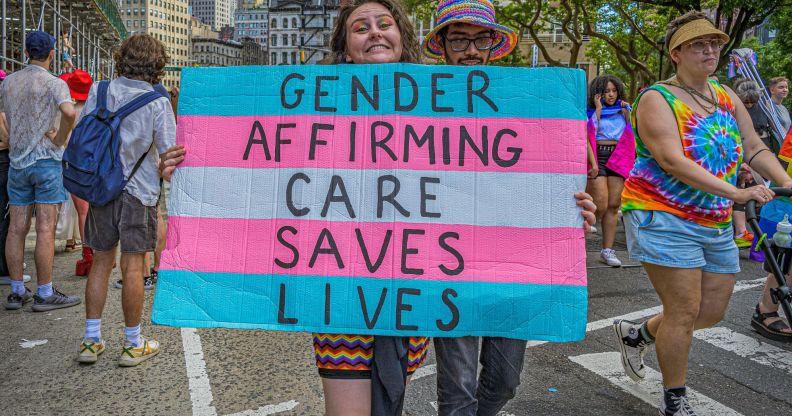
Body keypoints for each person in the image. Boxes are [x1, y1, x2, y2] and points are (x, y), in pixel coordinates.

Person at [612, 12, 792, 415]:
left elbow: (753, 146)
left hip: (713, 219)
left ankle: (638, 334)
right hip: (662, 216)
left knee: (712, 312)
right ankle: (676, 399)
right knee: (684, 310)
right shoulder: (658, 98)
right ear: (676, 53)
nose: (710, 50)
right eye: (698, 44)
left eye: (713, 44)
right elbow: (671, 160)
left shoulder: (724, 95)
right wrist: (736, 191)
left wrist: (784, 180)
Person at [421, 1, 596, 415]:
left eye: (480, 38)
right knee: (458, 388)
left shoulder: (523, 100)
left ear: (493, 44)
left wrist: (570, 207)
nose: (470, 50)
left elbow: (548, 170)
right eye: (459, 39)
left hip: (511, 263)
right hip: (445, 264)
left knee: (503, 383)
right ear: (443, 45)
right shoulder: (421, 100)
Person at [77, 34, 176, 367]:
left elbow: (84, 135)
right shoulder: (157, 102)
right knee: (133, 267)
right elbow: (168, 161)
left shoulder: (99, 91)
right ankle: (132, 344)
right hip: (140, 193)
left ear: (123, 58)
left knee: (101, 263)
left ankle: (91, 341)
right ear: (156, 65)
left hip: (102, 190)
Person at [1, 31, 80, 311]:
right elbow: (70, 113)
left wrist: (12, 139)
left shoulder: (8, 82)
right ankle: (45, 292)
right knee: (45, 227)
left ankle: (16, 290)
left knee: (17, 227)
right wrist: (60, 139)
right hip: (46, 160)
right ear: (51, 54)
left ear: (25, 53)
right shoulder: (54, 83)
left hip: (17, 161)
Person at [584, 75, 636, 267]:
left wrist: (628, 113)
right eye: (606, 91)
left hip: (619, 156)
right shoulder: (590, 112)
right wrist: (598, 110)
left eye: (614, 90)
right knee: (600, 204)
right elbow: (589, 134)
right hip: (598, 156)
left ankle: (607, 250)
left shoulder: (623, 111)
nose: (611, 95)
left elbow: (631, 133)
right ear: (598, 93)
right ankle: (577, 243)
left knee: (614, 205)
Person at [60, 70, 94, 274]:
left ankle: (88, 254)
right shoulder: (95, 111)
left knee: (82, 211)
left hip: (74, 164)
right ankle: (99, 250)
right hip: (93, 164)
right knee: (94, 209)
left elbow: (64, 141)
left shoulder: (69, 112)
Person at [730, 79, 766, 248]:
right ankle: (740, 231)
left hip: (754, 155)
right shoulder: (731, 109)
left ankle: (742, 230)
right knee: (740, 189)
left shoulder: (761, 110)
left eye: (753, 102)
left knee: (749, 189)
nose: (750, 105)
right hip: (737, 155)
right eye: (746, 102)